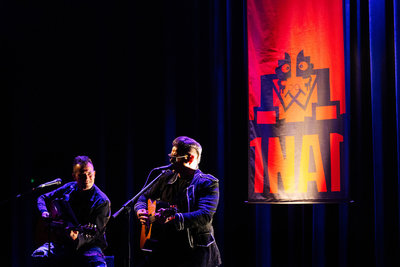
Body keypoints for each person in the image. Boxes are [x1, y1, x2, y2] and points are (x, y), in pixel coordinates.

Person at [134, 136, 222, 267]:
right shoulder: (166, 177)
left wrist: (174, 218)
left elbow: (204, 216)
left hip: (197, 252)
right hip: (168, 249)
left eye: (174, 158)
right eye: (171, 156)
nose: (170, 160)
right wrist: (140, 210)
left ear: (190, 158)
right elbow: (143, 197)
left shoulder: (208, 183)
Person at [32, 156, 111, 267]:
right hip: (62, 242)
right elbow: (43, 197)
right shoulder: (69, 188)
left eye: (89, 174)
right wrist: (44, 212)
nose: (87, 179)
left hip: (90, 245)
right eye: (82, 175)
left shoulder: (102, 201)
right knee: (39, 255)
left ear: (95, 173)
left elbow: (95, 232)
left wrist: (77, 237)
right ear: (74, 176)